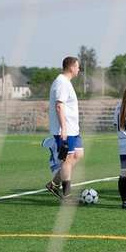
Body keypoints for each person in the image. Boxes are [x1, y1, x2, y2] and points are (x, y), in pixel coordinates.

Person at [45, 56, 83, 200]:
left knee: (78, 155)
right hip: (66, 130)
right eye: (78, 67)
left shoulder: (66, 82)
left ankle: (53, 184)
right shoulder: (61, 82)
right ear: (71, 67)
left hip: (74, 129)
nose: (79, 69)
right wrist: (64, 129)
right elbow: (59, 106)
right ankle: (66, 194)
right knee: (67, 160)